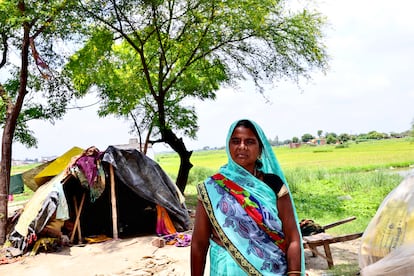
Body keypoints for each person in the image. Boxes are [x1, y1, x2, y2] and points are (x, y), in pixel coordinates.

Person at [191, 119, 305, 276]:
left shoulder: (273, 185)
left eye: (250, 142)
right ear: (228, 146)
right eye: (236, 141)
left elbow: (293, 238)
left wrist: (294, 273)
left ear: (260, 149)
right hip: (226, 270)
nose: (242, 146)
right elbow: (199, 243)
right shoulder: (212, 187)